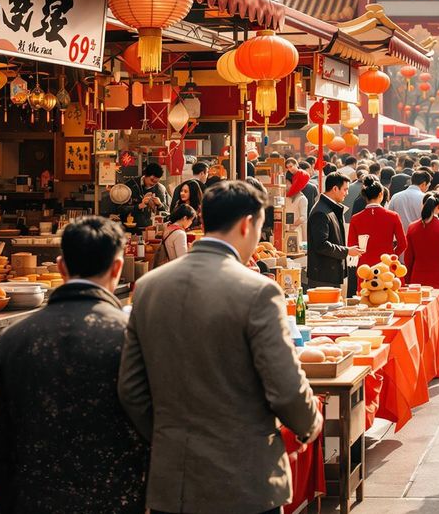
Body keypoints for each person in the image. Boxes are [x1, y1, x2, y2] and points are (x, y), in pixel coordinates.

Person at [119, 180, 322, 514]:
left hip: (175, 480)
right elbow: (285, 388)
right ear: (246, 224)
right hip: (245, 478)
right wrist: (310, 424)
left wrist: (168, 436)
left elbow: (131, 389)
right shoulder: (257, 291)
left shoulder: (149, 288)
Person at [0, 217, 147, 514]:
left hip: (34, 501)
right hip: (119, 498)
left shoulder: (14, 338)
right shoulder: (133, 335)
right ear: (117, 268)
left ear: (61, 266)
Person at [305, 173, 360, 289]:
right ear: (335, 188)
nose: (347, 193)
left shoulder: (329, 208)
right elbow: (321, 245)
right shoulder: (321, 211)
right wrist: (347, 251)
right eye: (345, 189)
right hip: (323, 276)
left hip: (330, 274)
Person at [404, 192, 439, 292]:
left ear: (423, 205)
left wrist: (407, 279)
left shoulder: (412, 228)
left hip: (417, 278)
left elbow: (408, 258)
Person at [123, 162, 168, 229]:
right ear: (146, 175)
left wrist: (160, 205)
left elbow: (166, 212)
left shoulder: (160, 189)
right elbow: (120, 209)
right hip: (130, 228)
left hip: (151, 229)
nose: (153, 183)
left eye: (156, 181)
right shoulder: (130, 185)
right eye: (152, 180)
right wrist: (139, 206)